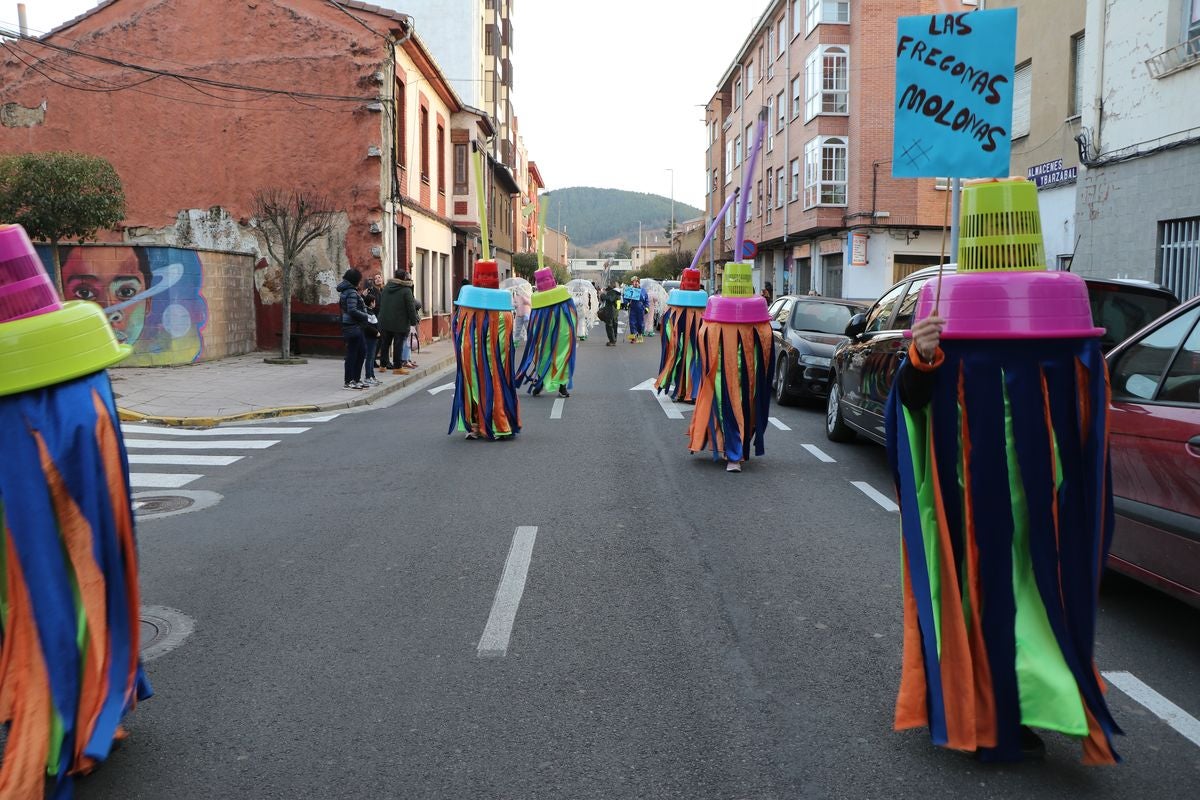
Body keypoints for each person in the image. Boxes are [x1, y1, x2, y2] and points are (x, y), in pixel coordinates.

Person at [686, 263, 774, 472]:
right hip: (719, 373)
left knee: (743, 407)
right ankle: (733, 452)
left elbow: (766, 347)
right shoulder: (715, 324)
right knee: (724, 406)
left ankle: (735, 449)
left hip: (747, 375)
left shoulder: (758, 325)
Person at [517, 268, 578, 398]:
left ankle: (562, 385)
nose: (545, 281)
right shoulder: (537, 298)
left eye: (547, 279)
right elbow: (535, 317)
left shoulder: (562, 294)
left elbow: (571, 312)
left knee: (561, 355)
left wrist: (569, 330)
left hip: (562, 329)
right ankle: (540, 383)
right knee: (543, 355)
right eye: (542, 280)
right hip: (543, 330)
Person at [379, 269, 418, 373]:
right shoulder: (406, 290)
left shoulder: (386, 287)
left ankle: (382, 366)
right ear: (404, 277)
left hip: (384, 321)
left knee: (385, 344)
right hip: (399, 322)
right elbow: (411, 308)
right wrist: (413, 322)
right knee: (398, 345)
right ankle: (397, 367)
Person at [337, 268, 368, 389]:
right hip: (353, 326)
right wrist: (366, 316)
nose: (360, 282)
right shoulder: (350, 292)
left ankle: (356, 379)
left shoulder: (349, 291)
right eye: (359, 280)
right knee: (353, 354)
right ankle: (349, 381)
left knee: (360, 352)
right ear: (355, 280)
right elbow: (352, 310)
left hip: (353, 325)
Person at [360, 284, 382, 386]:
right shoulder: (368, 313)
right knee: (369, 357)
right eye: (374, 302)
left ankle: (372, 376)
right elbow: (367, 326)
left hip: (373, 338)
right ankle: (368, 377)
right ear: (371, 302)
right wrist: (376, 332)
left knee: (372, 357)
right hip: (370, 338)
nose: (375, 303)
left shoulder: (370, 311)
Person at [623, 276, 648, 342]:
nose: (635, 283)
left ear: (639, 282)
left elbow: (646, 300)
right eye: (634, 282)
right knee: (632, 323)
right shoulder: (630, 290)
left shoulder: (643, 290)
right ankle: (633, 337)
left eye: (637, 282)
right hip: (633, 308)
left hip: (641, 309)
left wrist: (646, 307)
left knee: (640, 323)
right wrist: (627, 303)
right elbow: (625, 299)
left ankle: (640, 335)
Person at [599, 281, 621, 346]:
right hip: (615, 312)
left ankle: (612, 340)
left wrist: (603, 295)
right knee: (614, 326)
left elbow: (610, 299)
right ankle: (614, 339)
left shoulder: (613, 292)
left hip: (610, 311)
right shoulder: (618, 292)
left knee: (609, 326)